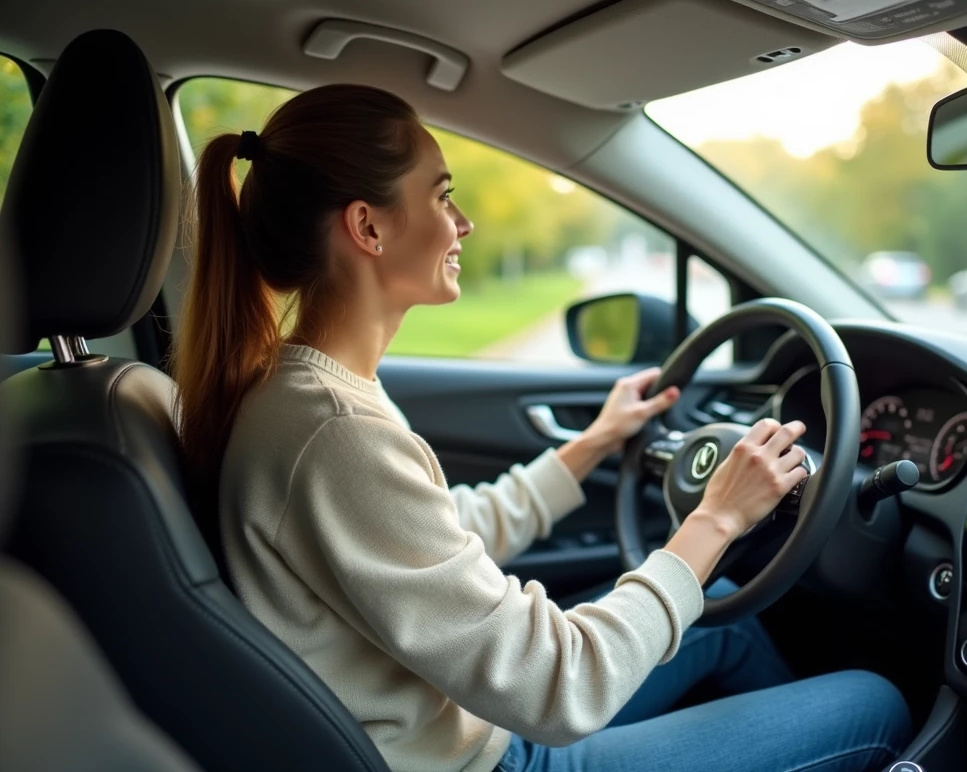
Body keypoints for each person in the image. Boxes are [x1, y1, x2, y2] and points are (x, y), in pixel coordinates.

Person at [172, 83, 910, 772]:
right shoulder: (334, 432)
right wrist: (717, 517)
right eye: (442, 196)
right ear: (367, 226)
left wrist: (590, 445)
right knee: (875, 704)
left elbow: (435, 538)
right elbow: (560, 689)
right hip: (499, 756)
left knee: (725, 627)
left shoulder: (301, 396)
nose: (463, 223)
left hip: (474, 722)